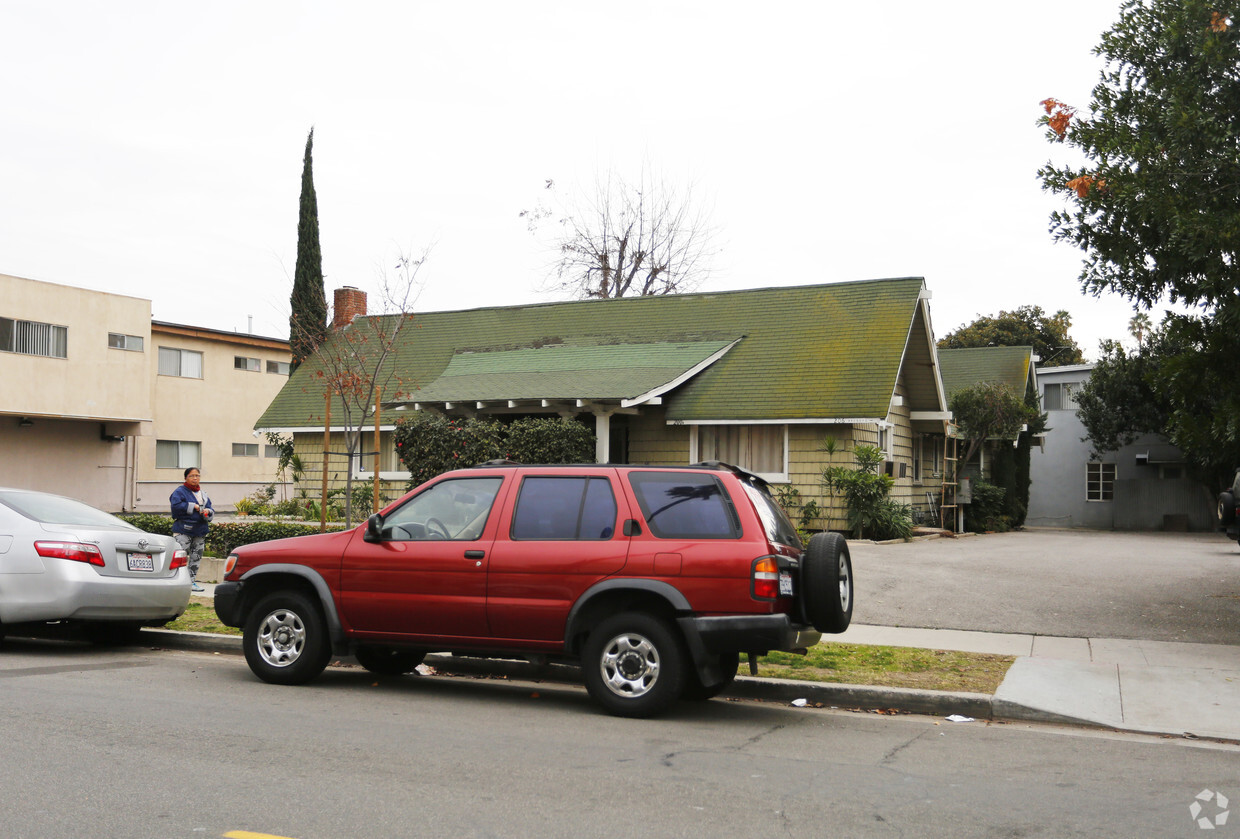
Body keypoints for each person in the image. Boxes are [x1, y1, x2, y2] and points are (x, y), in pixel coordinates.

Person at [169, 467, 213, 592]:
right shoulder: (179, 492)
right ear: (186, 478)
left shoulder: (203, 494)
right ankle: (175, 581)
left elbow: (211, 508)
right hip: (183, 530)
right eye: (192, 476)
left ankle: (191, 582)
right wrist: (192, 506)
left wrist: (208, 511)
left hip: (200, 530)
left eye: (197, 475)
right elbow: (175, 507)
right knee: (180, 557)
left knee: (196, 557)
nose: (195, 478)